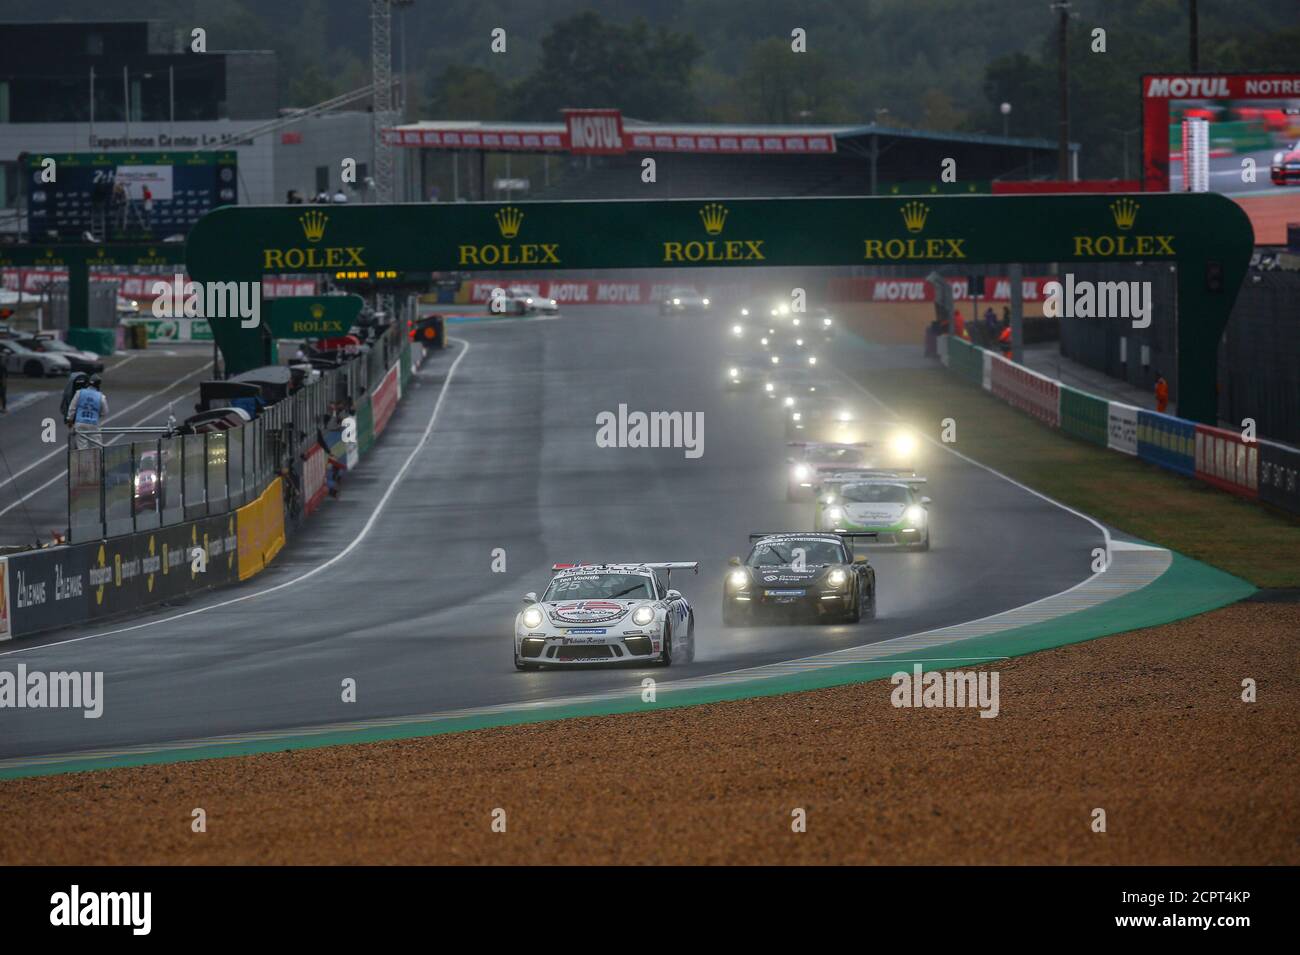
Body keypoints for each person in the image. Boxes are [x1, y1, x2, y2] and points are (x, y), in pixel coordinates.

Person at [66, 374, 107, 450]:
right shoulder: (101, 397)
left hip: (80, 423)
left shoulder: (79, 393)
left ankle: (84, 461)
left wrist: (70, 420)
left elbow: (72, 408)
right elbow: (104, 412)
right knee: (96, 446)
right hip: (94, 424)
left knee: (82, 448)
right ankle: (96, 461)